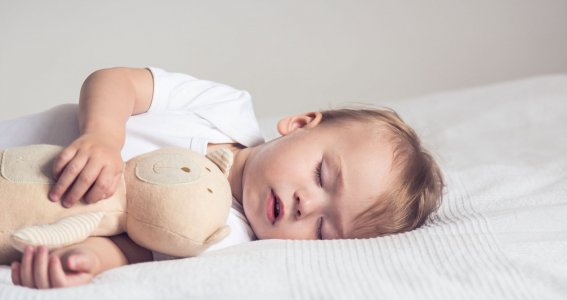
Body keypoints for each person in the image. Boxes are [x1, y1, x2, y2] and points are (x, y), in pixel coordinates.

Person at [9, 67, 444, 289]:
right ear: (299, 123)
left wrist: (81, 262)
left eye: (322, 229)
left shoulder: (228, 238)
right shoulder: (224, 108)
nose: (305, 204)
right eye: (320, 174)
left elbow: (132, 249)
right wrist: (102, 135)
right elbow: (117, 80)